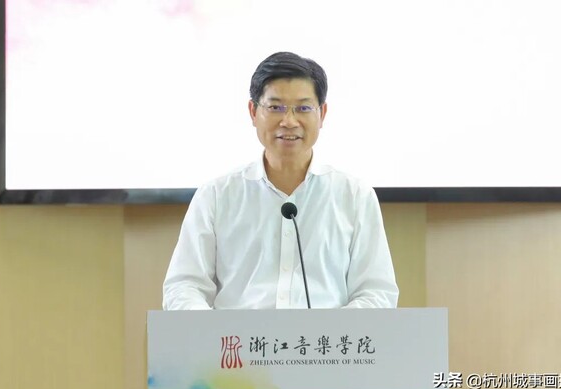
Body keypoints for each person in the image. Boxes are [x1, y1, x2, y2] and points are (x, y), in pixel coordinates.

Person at [162, 52, 399, 310]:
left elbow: (376, 293)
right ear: (253, 112)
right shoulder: (216, 196)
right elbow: (184, 287)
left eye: (303, 108)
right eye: (275, 107)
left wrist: (331, 330)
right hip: (237, 337)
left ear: (322, 114)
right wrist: (217, 332)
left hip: (327, 337)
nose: (289, 121)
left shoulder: (354, 196)